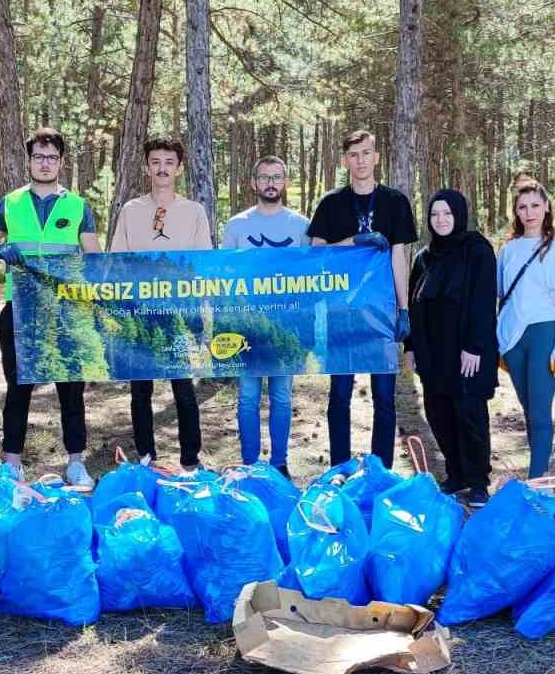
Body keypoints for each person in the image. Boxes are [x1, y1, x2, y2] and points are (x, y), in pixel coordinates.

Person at [0, 129, 102, 488]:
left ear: (61, 162)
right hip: (21, 308)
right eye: (38, 157)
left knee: (71, 387)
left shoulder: (77, 206)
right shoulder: (10, 203)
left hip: (66, 310)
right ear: (29, 161)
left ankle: (76, 462)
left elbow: (93, 257)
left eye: (51, 157)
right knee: (18, 386)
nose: (45, 163)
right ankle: (12, 462)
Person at [307, 131, 417, 468]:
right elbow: (315, 253)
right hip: (342, 313)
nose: (361, 160)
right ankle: (340, 467)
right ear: (345, 160)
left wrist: (403, 308)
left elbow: (400, 257)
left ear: (376, 157)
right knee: (340, 394)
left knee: (384, 396)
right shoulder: (331, 203)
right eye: (354, 154)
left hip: (381, 311)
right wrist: (354, 241)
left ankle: (379, 469)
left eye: (367, 153)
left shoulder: (395, 202)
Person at [111, 137, 214, 470]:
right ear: (146, 167)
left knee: (183, 387)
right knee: (141, 391)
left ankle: (190, 459)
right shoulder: (131, 210)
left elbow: (202, 265)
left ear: (179, 168)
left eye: (169, 162)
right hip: (140, 314)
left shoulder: (193, 211)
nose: (162, 168)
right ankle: (145, 457)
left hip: (180, 313)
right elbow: (117, 261)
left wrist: (200, 314)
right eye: (155, 162)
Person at [406, 190, 498, 506]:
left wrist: (474, 346)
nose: (441, 220)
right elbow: (413, 305)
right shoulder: (424, 257)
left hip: (467, 352)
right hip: (433, 353)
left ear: (459, 214)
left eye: (446, 213)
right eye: (434, 214)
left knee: (469, 413)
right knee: (439, 414)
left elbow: (485, 301)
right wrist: (411, 347)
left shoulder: (477, 250)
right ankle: (455, 474)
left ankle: (477, 481)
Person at [223, 155, 310, 477]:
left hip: (285, 328)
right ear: (253, 183)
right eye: (264, 177)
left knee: (282, 397)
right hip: (246, 327)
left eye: (276, 177)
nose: (270, 183)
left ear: (284, 182)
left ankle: (279, 464)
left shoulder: (300, 226)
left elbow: (309, 277)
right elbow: (225, 278)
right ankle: (249, 464)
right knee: (247, 397)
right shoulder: (237, 225)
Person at [495, 178, 555, 481]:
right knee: (528, 410)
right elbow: (502, 296)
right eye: (522, 207)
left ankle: (536, 480)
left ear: (546, 207)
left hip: (544, 333)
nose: (529, 212)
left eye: (535, 205)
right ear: (516, 211)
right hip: (513, 338)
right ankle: (538, 474)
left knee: (541, 413)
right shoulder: (508, 249)